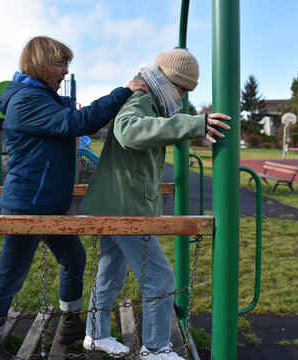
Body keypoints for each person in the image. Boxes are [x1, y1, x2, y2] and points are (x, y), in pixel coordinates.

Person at [0, 36, 148, 360]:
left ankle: (69, 323)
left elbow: (72, 123)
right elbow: (77, 123)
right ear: (39, 64)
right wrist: (124, 92)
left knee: (74, 259)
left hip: (50, 205)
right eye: (60, 63)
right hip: (27, 206)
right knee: (10, 277)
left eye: (68, 63)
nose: (66, 71)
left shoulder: (44, 97)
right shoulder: (26, 100)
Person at [79, 48, 231, 359]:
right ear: (174, 83)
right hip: (125, 206)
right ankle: (156, 348)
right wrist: (193, 124)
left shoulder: (149, 95)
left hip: (117, 202)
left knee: (110, 272)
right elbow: (128, 131)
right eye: (183, 90)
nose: (183, 98)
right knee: (159, 277)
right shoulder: (143, 97)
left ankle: (95, 334)